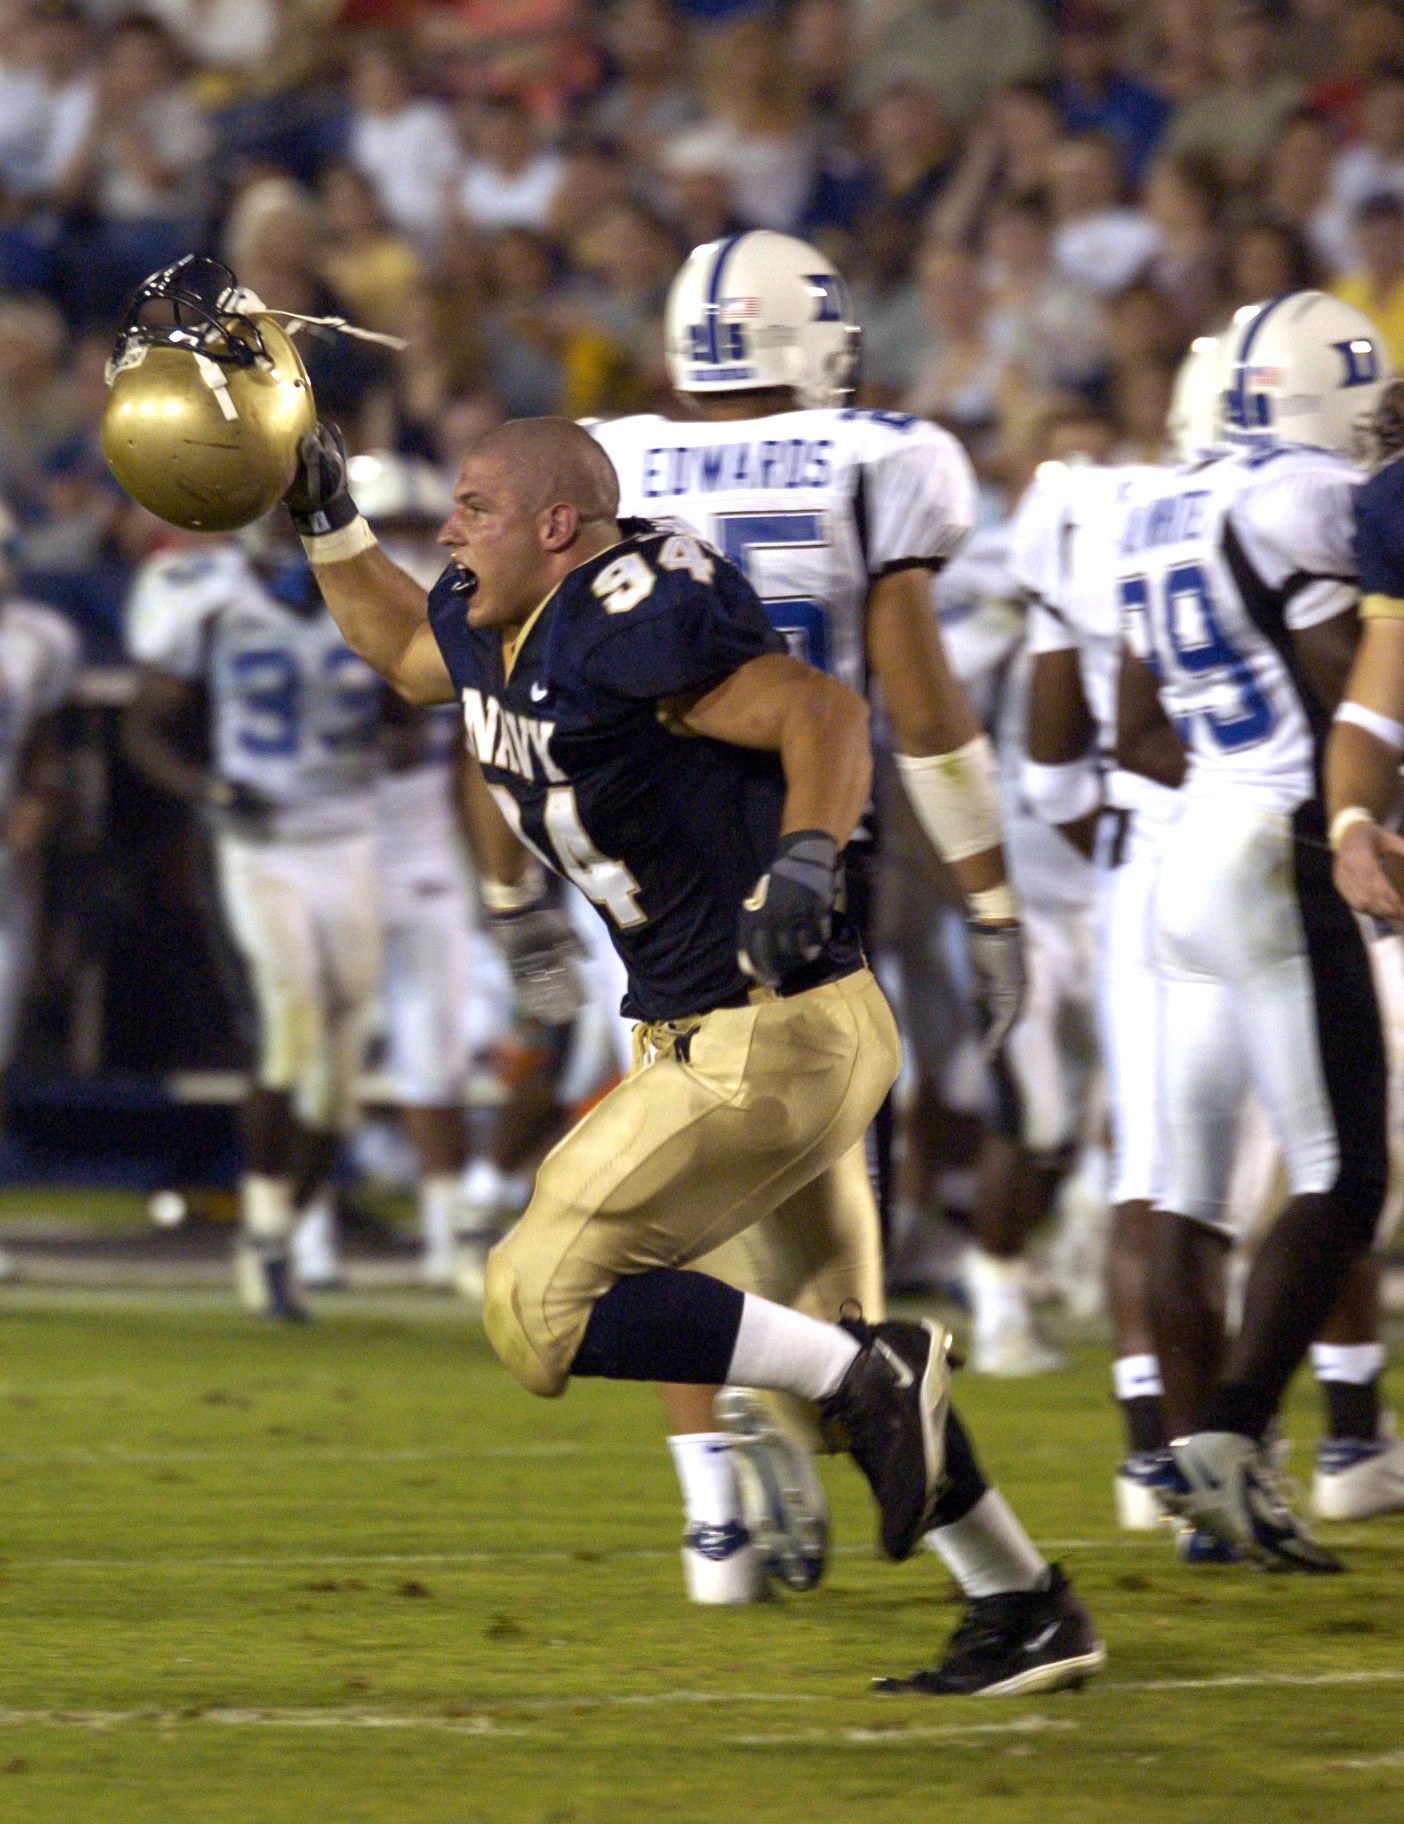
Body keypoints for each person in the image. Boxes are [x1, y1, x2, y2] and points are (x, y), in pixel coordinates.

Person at [278, 407, 1102, 1696]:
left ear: (561, 527)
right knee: (835, 1386)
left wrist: (810, 856)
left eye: (476, 508)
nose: (447, 530)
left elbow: (825, 712)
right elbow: (396, 644)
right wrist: (327, 516)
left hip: (768, 1034)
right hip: (730, 1035)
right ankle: (1025, 1602)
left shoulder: (631, 609)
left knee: (535, 1298)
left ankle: (869, 1373)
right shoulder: (499, 617)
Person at [591, 229, 1029, 1579]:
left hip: (650, 873)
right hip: (804, 860)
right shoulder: (879, 456)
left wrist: (516, 888)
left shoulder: (611, 460)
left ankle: (719, 1511)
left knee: (671, 1200)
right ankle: (983, 1572)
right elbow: (920, 696)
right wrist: (990, 893)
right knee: (829, 1250)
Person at [1113, 291, 1392, 1568]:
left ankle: (1200, 1480)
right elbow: (1359, 649)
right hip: (1277, 840)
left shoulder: (1163, 498)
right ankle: (1231, 1433)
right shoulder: (1296, 497)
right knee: (1344, 1174)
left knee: (1185, 1189)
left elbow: (1140, 712)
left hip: (1186, 851)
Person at [122, 525, 388, 1319]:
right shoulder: (205, 595)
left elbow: (419, 692)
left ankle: (277, 1232)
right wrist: (207, 789)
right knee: (289, 1024)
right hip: (259, 842)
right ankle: (268, 1228)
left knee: (341, 1077)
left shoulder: (368, 584)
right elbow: (145, 726)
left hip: (351, 833)